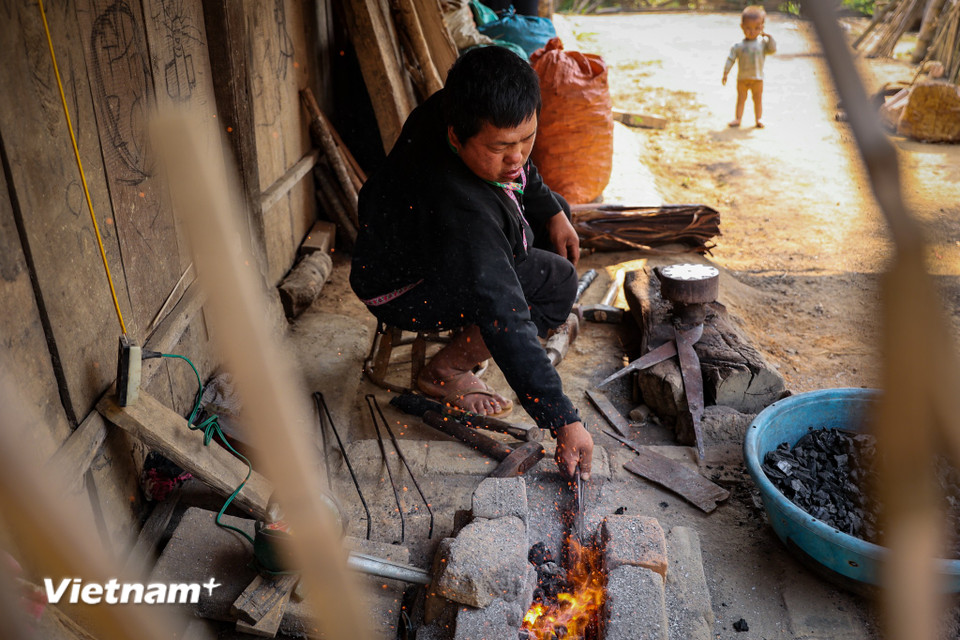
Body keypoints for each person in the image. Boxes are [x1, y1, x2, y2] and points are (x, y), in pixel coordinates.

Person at [350, 46, 593, 480]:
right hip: (403, 288)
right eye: (501, 147)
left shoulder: (454, 106)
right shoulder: (464, 209)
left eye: (527, 138)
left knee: (553, 214)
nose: (517, 156)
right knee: (557, 282)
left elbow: (522, 171)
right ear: (457, 136)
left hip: (410, 245)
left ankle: (543, 219)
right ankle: (446, 370)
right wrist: (563, 420)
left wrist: (554, 211)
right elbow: (506, 313)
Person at [722, 5, 776, 128]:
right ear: (742, 26)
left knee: (758, 99)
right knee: (741, 99)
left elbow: (772, 50)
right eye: (748, 28)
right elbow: (731, 59)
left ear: (762, 27)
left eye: (757, 28)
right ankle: (738, 118)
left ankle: (759, 119)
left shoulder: (762, 44)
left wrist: (770, 38)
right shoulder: (738, 46)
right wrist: (725, 73)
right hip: (742, 79)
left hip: (758, 78)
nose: (752, 31)